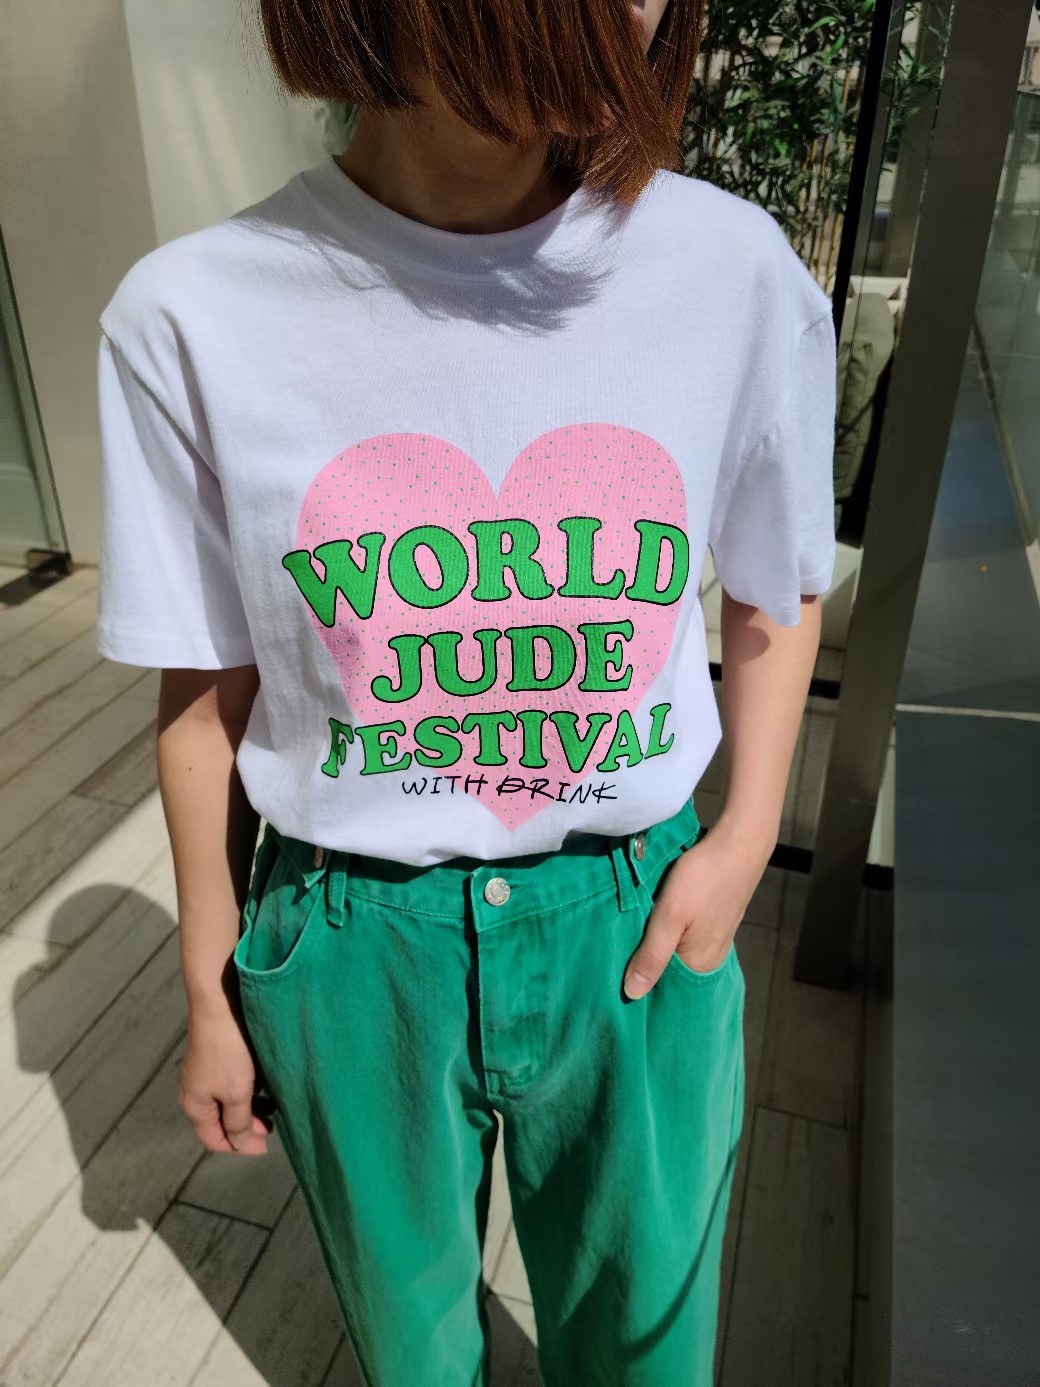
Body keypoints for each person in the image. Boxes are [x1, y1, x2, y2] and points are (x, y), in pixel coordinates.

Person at [94, 1, 837, 1382]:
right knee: (412, 1353)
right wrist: (209, 981)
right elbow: (209, 680)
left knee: (647, 1349)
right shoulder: (191, 315)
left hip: (635, 919)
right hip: (354, 943)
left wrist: (744, 839)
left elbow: (775, 583)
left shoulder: (731, 273)